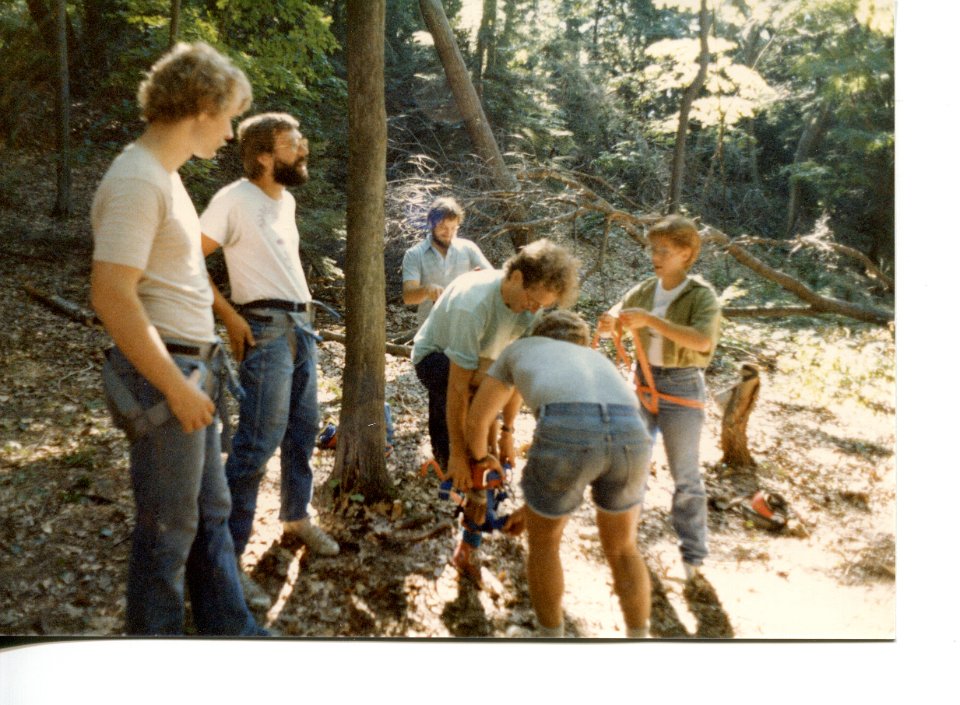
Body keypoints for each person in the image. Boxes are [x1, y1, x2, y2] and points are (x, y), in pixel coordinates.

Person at [90, 42, 266, 635]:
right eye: (230, 114)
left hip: (195, 369)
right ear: (202, 106)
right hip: (167, 378)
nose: (231, 130)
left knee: (209, 513)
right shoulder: (138, 179)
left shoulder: (166, 177)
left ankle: (229, 630)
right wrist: (176, 386)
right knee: (167, 530)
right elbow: (112, 294)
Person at [199, 112, 339, 608]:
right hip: (264, 330)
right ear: (263, 156)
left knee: (303, 432)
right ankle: (226, 563)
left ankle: (296, 517)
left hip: (301, 329)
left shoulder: (288, 201)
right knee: (256, 445)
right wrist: (232, 319)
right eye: (292, 142)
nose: (303, 148)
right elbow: (189, 257)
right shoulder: (233, 199)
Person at [464, 311, 654, 638]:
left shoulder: (521, 347)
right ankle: (639, 638)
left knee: (545, 544)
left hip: (568, 427)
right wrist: (534, 507)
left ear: (540, 333)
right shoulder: (593, 358)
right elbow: (599, 430)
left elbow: (477, 420)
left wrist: (482, 459)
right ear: (579, 340)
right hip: (633, 431)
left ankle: (551, 640)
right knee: (624, 548)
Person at [411, 238, 580, 582]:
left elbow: (513, 376)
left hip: (484, 367)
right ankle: (462, 489)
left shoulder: (529, 309)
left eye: (542, 306)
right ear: (515, 276)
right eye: (532, 301)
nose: (534, 310)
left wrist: (506, 432)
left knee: (488, 449)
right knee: (468, 456)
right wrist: (460, 452)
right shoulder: (474, 305)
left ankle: (470, 535)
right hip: (437, 360)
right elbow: (458, 388)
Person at [597, 214, 721, 581]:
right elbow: (614, 328)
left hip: (682, 387)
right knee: (631, 468)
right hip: (643, 386)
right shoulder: (643, 290)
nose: (656, 256)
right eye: (654, 249)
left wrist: (651, 321)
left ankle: (693, 558)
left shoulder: (701, 295)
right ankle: (626, 549)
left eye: (665, 250)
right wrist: (609, 325)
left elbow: (702, 342)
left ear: (686, 253)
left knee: (685, 475)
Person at [402, 196, 492, 327]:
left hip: (465, 328)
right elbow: (408, 297)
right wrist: (426, 290)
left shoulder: (468, 248)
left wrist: (476, 280)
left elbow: (492, 279)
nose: (449, 233)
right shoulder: (414, 254)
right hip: (431, 331)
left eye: (453, 228)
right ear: (431, 224)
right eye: (443, 227)